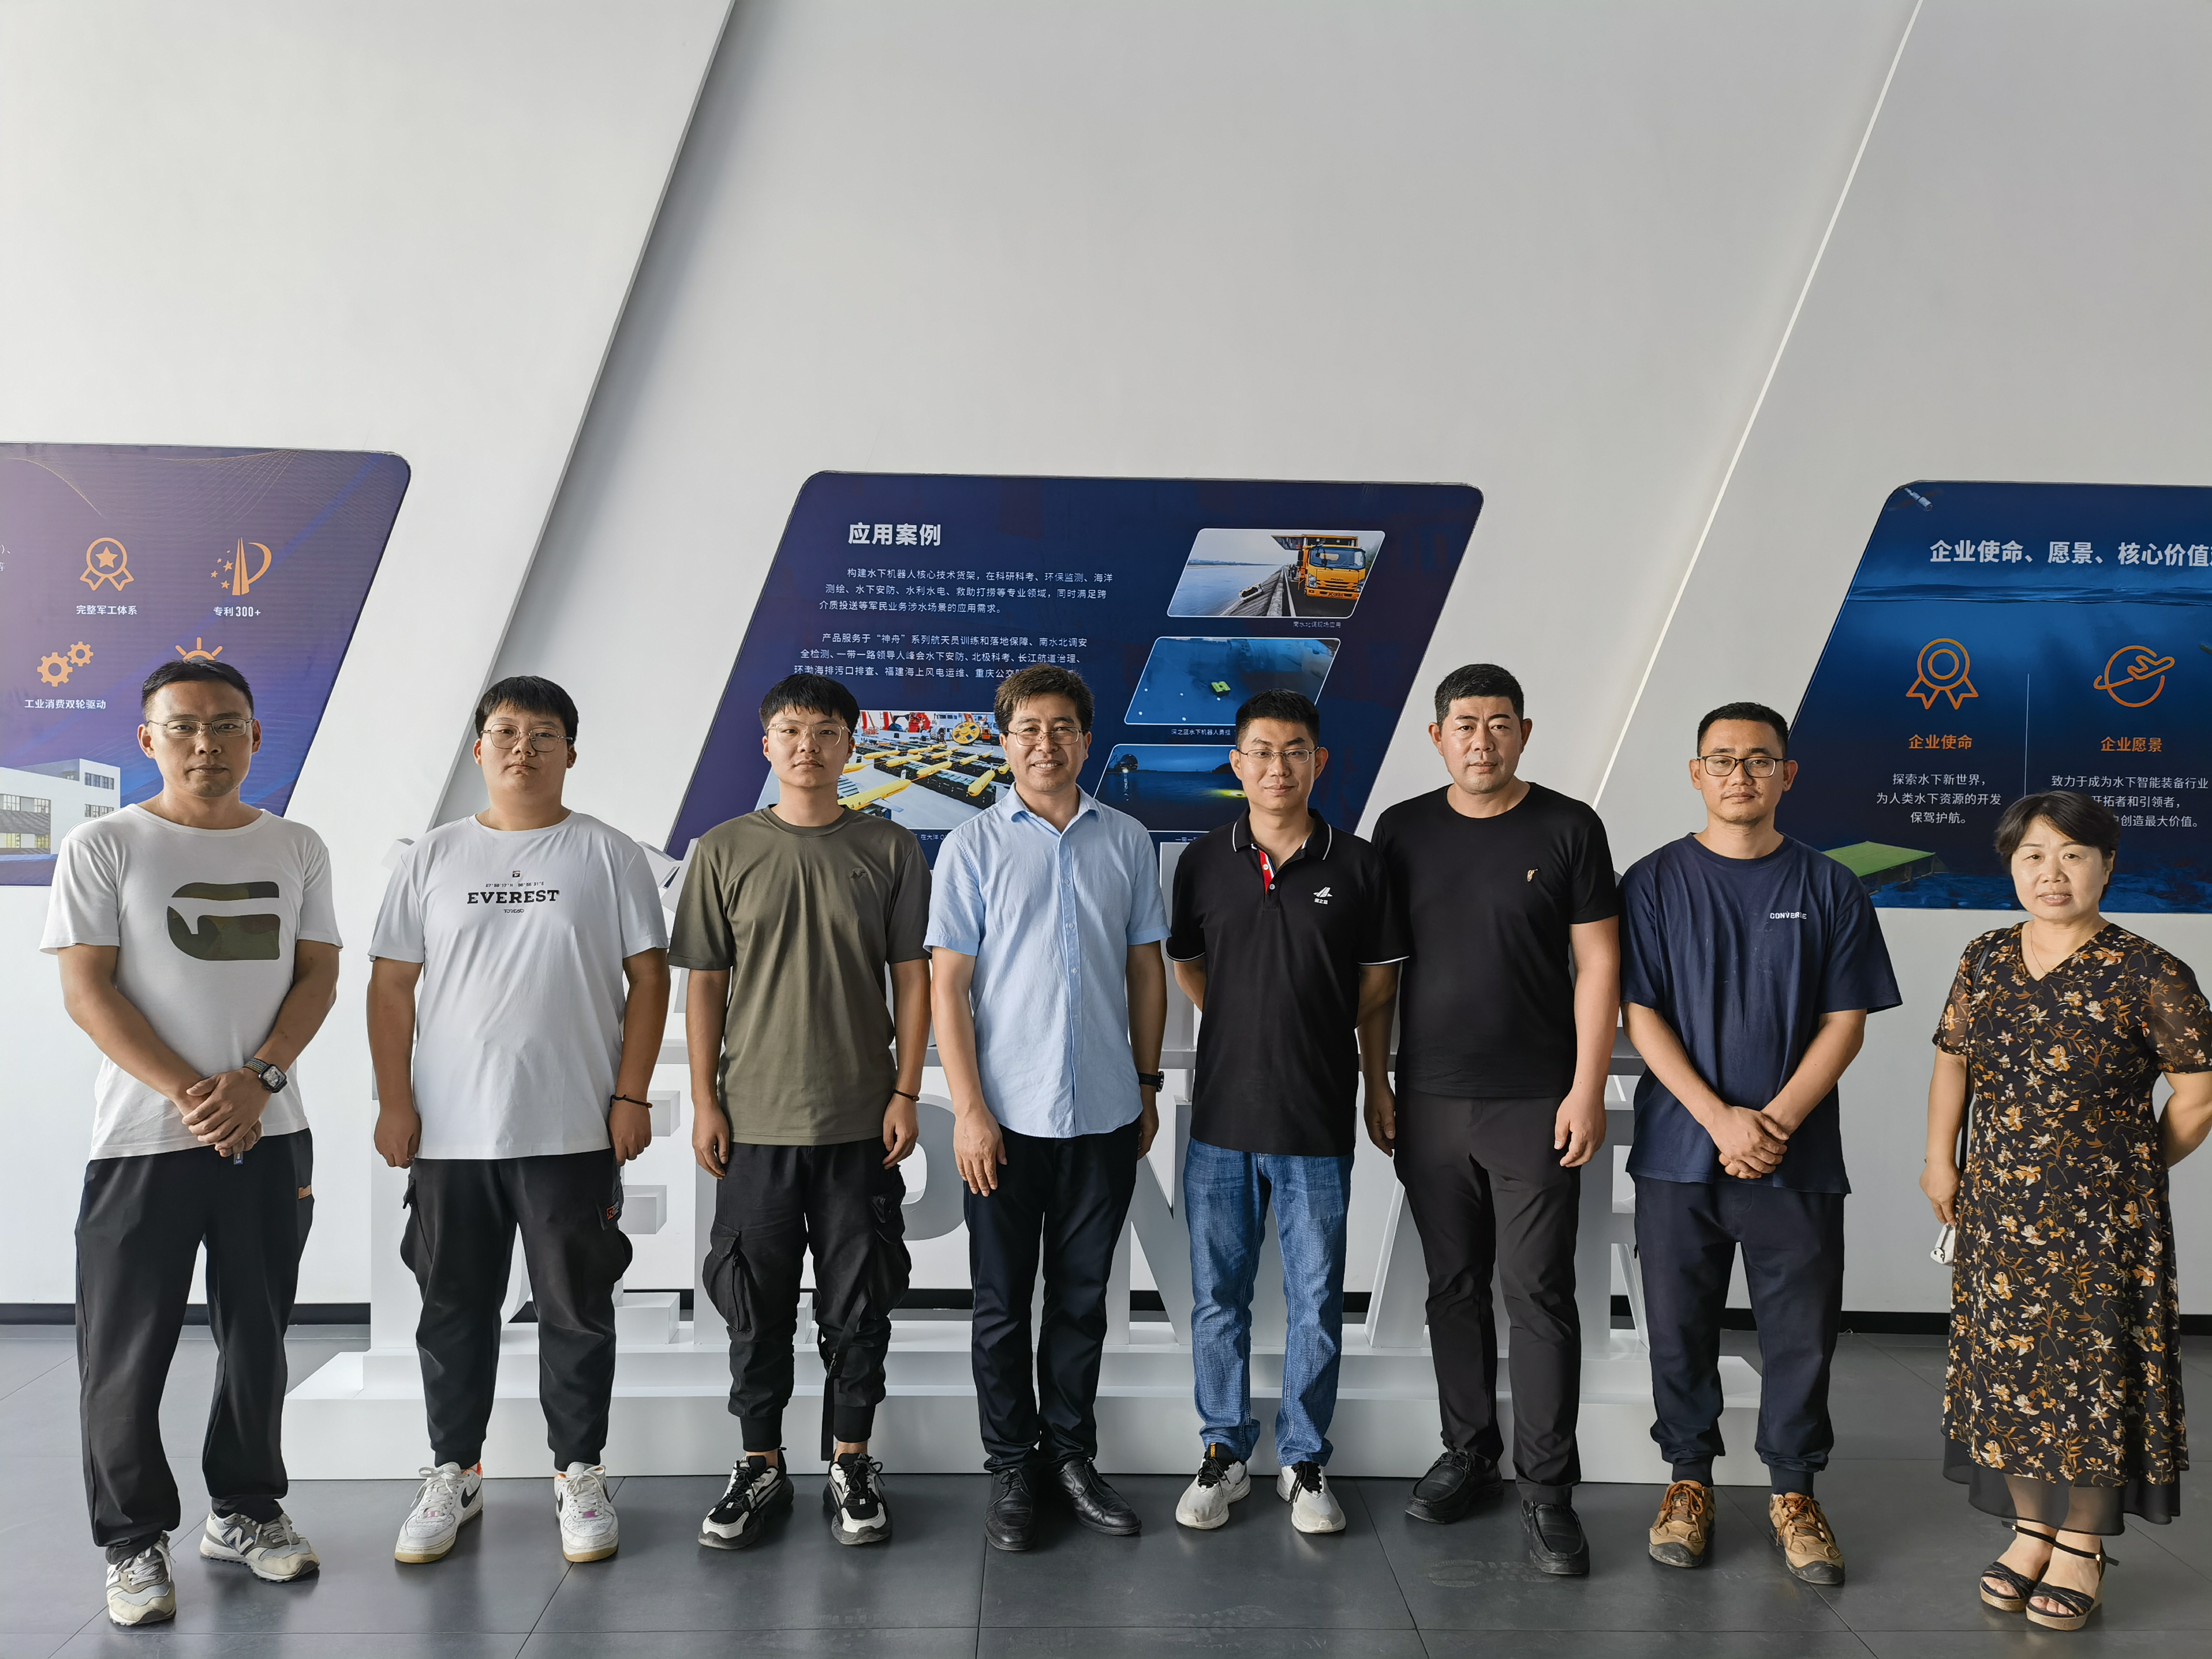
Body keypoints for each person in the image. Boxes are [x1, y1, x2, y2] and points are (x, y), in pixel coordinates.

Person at [45, 659, 341, 1627]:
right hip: (142, 1142)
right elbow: (88, 991)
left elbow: (318, 976)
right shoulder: (104, 844)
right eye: (183, 727)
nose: (205, 744)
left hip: (271, 1132)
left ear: (256, 734)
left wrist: (259, 1081)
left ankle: (246, 1509)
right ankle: (133, 1542)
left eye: (225, 725)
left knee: (258, 1339)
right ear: (149, 740)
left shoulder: (296, 845)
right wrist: (192, 1094)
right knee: (124, 1351)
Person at [368, 675, 669, 1567]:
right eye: (505, 732)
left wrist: (630, 1096)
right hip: (451, 1135)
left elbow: (650, 978)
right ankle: (453, 1472)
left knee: (576, 1312)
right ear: (478, 749)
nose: (522, 749)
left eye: (543, 735)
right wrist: (394, 1100)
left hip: (572, 1128)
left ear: (571, 751)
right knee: (452, 1309)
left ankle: (579, 1473)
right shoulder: (433, 856)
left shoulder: (609, 854)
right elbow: (390, 985)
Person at [1618, 702, 1899, 1586]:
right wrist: (1718, 1119)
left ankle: (1794, 1494)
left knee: (1801, 1334)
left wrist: (1770, 1124)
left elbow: (1846, 1022)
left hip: (1796, 1158)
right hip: (1679, 1152)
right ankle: (1688, 1482)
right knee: (1679, 1328)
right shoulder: (1652, 882)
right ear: (1696, 773)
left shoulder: (1830, 886)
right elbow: (1640, 1013)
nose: (1740, 775)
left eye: (1759, 760)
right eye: (1722, 759)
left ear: (1788, 775)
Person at [1922, 791, 2212, 1632]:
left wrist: (2129, 1170)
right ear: (2012, 867)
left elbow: (2198, 1095)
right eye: (2034, 857)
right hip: (1999, 1209)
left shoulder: (2150, 971)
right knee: (2010, 1373)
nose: (2053, 874)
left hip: (2105, 1223)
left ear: (2106, 866)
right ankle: (2031, 1531)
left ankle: (2081, 1544)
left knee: (2092, 1378)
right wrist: (1941, 1159)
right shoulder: (1985, 957)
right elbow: (1953, 1063)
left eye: (2073, 855)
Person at [1371, 662, 1618, 1575]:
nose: (1483, 740)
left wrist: (1587, 1088)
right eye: (1466, 725)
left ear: (1524, 732)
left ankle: (1547, 1491)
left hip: (1536, 1101)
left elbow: (1599, 965)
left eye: (1500, 723)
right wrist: (1376, 1080)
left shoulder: (1568, 827)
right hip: (1429, 1097)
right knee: (1453, 1287)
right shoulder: (1401, 830)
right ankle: (1468, 1452)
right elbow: (1380, 972)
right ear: (1438, 737)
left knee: (1538, 1293)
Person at [672, 673, 929, 1550]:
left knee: (860, 1303)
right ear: (767, 743)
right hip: (754, 1122)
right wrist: (704, 1100)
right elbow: (705, 985)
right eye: (791, 730)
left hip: (861, 1121)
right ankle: (761, 1464)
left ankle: (852, 1461)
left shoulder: (890, 847)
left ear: (851, 745)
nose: (807, 746)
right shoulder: (723, 849)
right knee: (755, 1302)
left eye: (825, 731)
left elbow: (913, 979)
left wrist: (906, 1090)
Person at [928, 663, 1169, 1552]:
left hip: (1104, 1113)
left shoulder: (1128, 841)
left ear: (1086, 739)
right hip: (1004, 1121)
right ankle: (1010, 1468)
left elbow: (1146, 970)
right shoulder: (973, 847)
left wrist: (1146, 1084)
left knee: (1080, 1301)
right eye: (1028, 728)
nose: (1045, 743)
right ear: (1004, 742)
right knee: (1001, 1305)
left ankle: (1070, 1458)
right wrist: (969, 1111)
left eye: (1062, 727)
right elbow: (948, 989)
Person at [1166, 690, 1406, 1535]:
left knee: (1315, 1298)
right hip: (1221, 1122)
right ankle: (1224, 1451)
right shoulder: (1202, 862)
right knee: (1217, 1299)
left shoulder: (1361, 865)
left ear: (1319, 761)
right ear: (1237, 764)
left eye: (1295, 750)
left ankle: (1303, 1460)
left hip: (1316, 1118)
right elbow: (1190, 965)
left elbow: (1378, 985)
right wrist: (1244, 1017)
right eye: (1261, 752)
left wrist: (1370, 1076)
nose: (1278, 766)